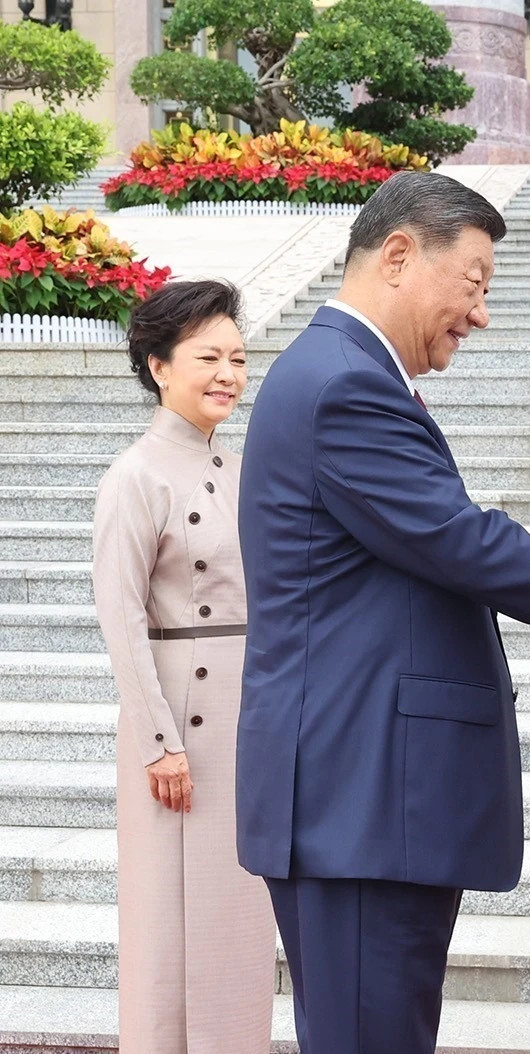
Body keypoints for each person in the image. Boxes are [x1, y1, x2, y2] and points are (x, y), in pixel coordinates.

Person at [234, 171, 530, 1054]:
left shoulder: (342, 373)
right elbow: (458, 540)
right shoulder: (343, 384)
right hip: (359, 797)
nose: (480, 314)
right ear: (401, 255)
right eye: (476, 283)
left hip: (366, 800)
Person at [92, 279, 275, 1053]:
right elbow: (121, 618)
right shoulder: (134, 475)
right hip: (178, 724)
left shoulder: (239, 469)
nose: (228, 373)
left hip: (247, 716)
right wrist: (158, 743)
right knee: (168, 929)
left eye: (238, 357)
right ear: (159, 365)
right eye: (209, 357)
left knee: (236, 920)